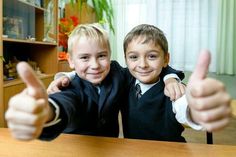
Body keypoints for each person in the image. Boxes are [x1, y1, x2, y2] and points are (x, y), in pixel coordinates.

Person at [5, 23, 184, 141]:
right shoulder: (70, 86)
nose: (95, 65)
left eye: (101, 56)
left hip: (112, 148)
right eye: (84, 57)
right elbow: (64, 103)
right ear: (71, 61)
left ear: (110, 55)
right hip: (75, 147)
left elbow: (151, 68)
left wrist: (170, 77)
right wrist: (47, 112)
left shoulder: (118, 74)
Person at [120, 24, 232, 141]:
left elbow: (184, 107)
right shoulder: (125, 80)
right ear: (126, 60)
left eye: (152, 56)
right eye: (133, 57)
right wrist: (170, 76)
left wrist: (196, 110)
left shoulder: (173, 89)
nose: (142, 65)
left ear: (166, 59)